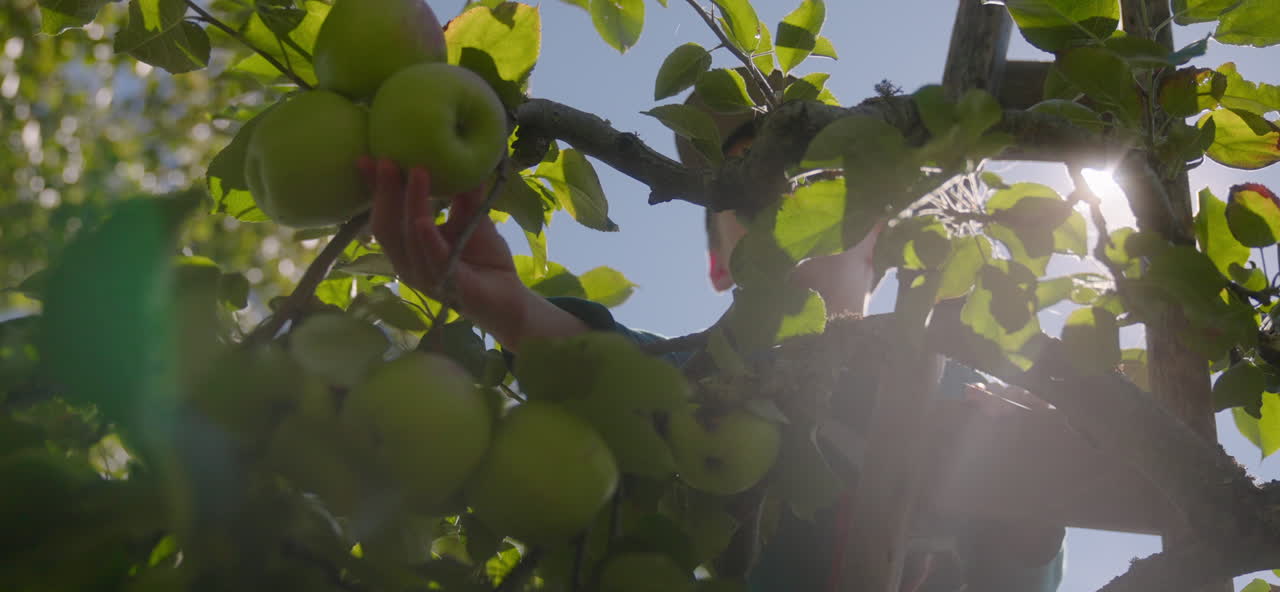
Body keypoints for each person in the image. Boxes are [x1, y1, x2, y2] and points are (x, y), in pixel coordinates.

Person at [354, 113, 1066, 590]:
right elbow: (618, 370)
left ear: (879, 235)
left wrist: (1033, 498)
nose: (782, 200)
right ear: (720, 265)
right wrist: (513, 310)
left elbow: (1014, 570)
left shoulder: (947, 386)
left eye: (816, 186)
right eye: (750, 194)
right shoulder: (697, 378)